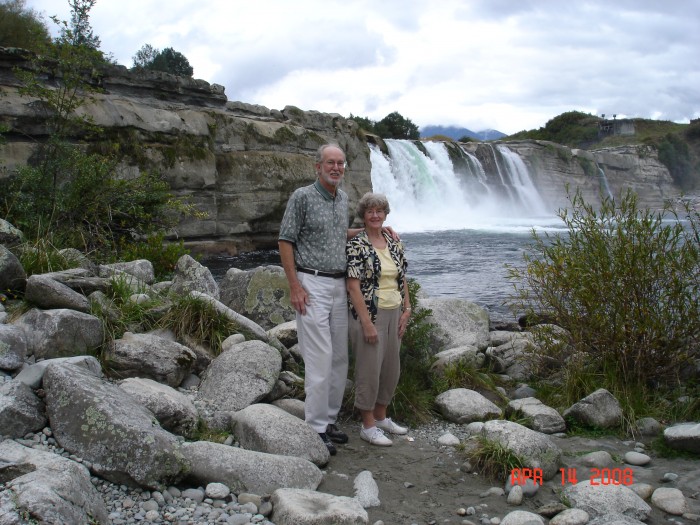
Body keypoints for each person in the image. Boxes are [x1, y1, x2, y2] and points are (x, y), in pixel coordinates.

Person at [278, 143, 353, 456]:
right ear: (318, 167)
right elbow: (285, 240)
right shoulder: (303, 196)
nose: (335, 168)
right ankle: (316, 428)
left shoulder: (343, 198)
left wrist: (374, 230)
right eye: (330, 163)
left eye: (340, 163)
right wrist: (295, 286)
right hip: (311, 283)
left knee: (339, 358)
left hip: (338, 285)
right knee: (320, 358)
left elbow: (338, 236)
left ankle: (330, 421)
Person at [346, 192, 411, 446]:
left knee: (391, 369)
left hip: (394, 311)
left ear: (385, 214)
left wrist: (407, 307)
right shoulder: (357, 244)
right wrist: (366, 322)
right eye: (370, 211)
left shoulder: (393, 241)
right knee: (369, 371)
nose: (375, 215)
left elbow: (402, 276)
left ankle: (382, 417)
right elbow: (352, 286)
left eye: (379, 211)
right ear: (363, 216)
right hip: (369, 314)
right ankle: (368, 424)